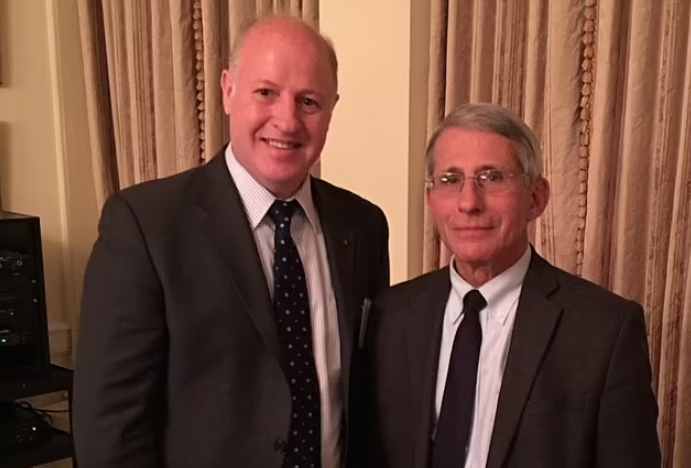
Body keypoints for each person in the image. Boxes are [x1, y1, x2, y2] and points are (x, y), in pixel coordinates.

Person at [73, 15, 389, 468]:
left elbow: (365, 397)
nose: (287, 120)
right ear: (227, 91)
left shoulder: (363, 226)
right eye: (266, 92)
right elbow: (110, 428)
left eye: (309, 101)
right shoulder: (145, 226)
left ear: (332, 108)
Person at [360, 103, 661, 468]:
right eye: (450, 180)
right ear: (431, 200)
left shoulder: (605, 331)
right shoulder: (391, 315)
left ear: (536, 198)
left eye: (492, 178)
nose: (469, 202)